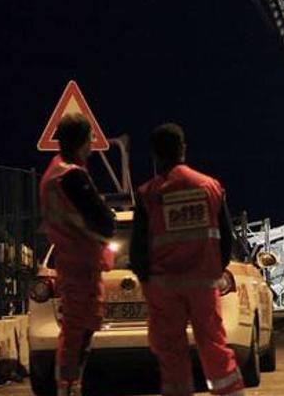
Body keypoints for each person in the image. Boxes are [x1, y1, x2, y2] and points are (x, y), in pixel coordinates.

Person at [130, 123, 245, 396]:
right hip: (203, 283)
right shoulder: (209, 187)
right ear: (183, 149)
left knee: (170, 350)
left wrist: (146, 278)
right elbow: (226, 238)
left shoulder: (149, 194)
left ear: (155, 155)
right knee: (214, 344)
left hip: (164, 286)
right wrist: (214, 269)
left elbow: (138, 247)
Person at [38, 113, 116, 396]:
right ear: (85, 142)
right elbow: (104, 221)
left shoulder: (53, 174)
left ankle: (69, 386)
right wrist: (106, 215)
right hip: (80, 265)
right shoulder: (71, 176)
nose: (93, 148)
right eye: (91, 141)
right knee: (78, 333)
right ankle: (70, 388)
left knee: (76, 331)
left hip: (73, 263)